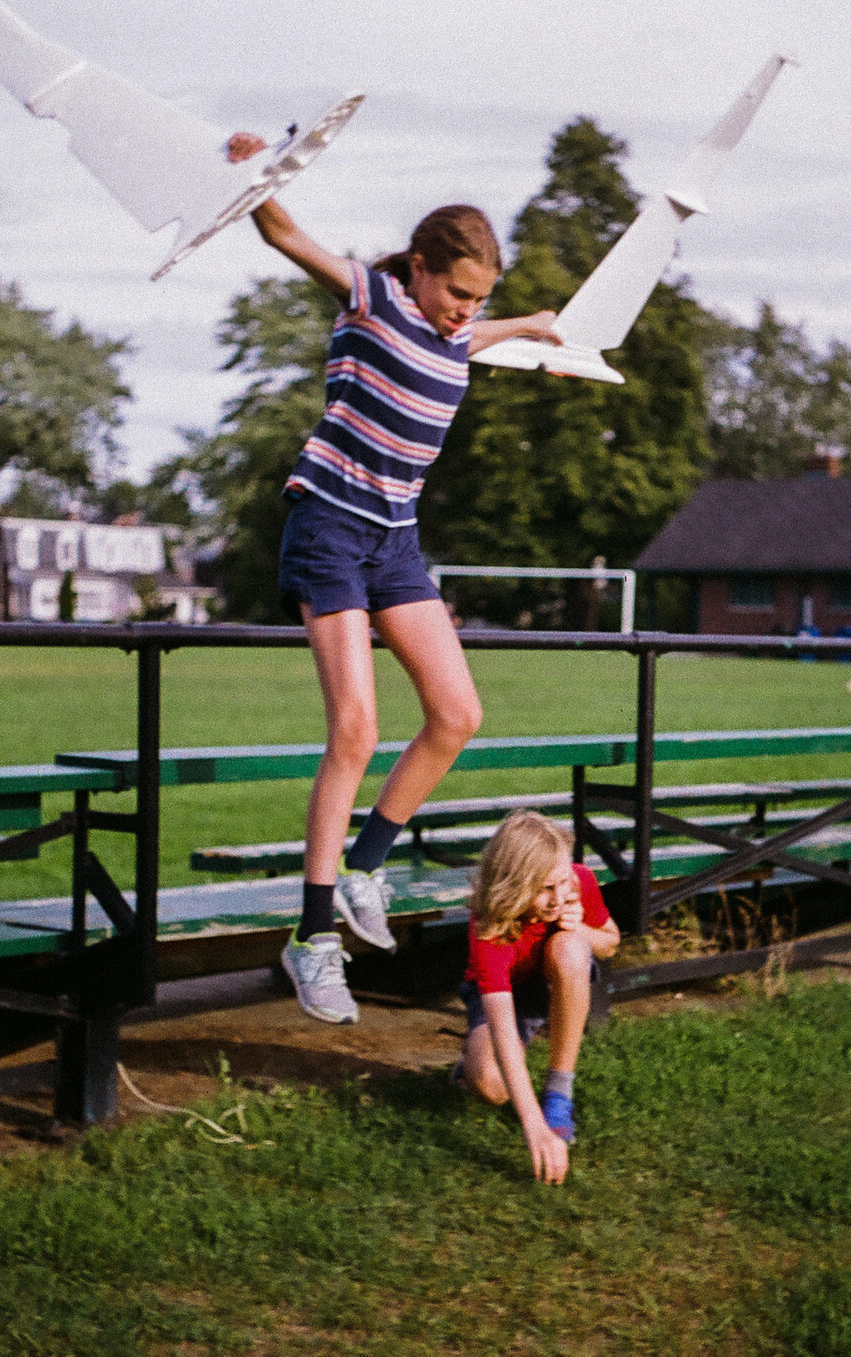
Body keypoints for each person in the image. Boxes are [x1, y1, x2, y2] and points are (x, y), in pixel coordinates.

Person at [223, 132, 564, 1025]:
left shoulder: (457, 333)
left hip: (396, 542)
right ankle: (309, 937)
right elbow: (284, 235)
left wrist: (527, 326)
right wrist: (251, 174)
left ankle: (365, 866)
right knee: (355, 730)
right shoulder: (373, 301)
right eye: (454, 291)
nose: (463, 312)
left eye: (479, 299)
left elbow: (471, 335)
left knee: (457, 714)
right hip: (329, 529)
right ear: (417, 269)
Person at [455, 811, 619, 1184]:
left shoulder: (578, 882)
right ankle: (469, 1063)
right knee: (492, 1086)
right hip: (501, 994)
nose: (559, 897)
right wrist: (533, 1127)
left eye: (563, 882)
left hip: (551, 977)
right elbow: (501, 1024)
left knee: (571, 948)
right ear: (513, 885)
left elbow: (611, 943)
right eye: (545, 888)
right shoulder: (488, 926)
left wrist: (579, 929)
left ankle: (559, 1094)